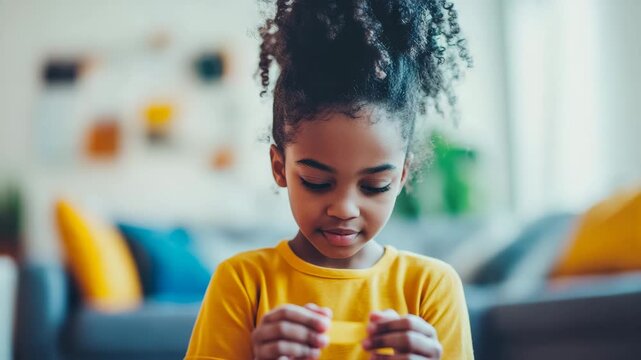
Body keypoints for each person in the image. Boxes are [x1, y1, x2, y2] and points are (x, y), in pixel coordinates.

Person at [185, 0, 474, 358]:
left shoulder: (430, 287)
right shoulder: (243, 283)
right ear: (280, 168)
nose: (344, 209)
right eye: (316, 181)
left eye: (374, 186)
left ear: (401, 177)